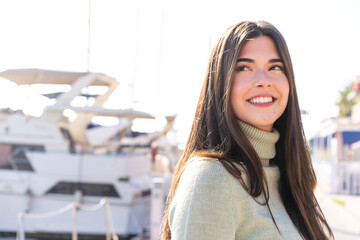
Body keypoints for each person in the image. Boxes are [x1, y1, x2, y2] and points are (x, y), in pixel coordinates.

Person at [161, 21, 334, 240]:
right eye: (243, 68)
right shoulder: (211, 180)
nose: (263, 81)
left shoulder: (286, 178)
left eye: (275, 67)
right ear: (220, 83)